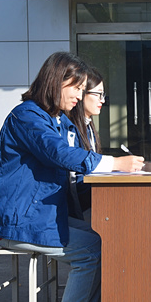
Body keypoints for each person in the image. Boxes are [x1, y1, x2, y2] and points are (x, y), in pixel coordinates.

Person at [0, 52, 144, 302]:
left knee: (109, 238)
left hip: (41, 215)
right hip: (18, 221)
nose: (80, 97)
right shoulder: (27, 117)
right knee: (92, 249)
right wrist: (114, 163)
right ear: (57, 81)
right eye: (77, 88)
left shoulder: (57, 119)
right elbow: (58, 153)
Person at [66, 66, 106, 220]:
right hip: (78, 211)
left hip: (89, 205)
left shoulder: (88, 126)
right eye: (98, 94)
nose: (102, 100)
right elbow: (73, 180)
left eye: (103, 95)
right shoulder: (70, 129)